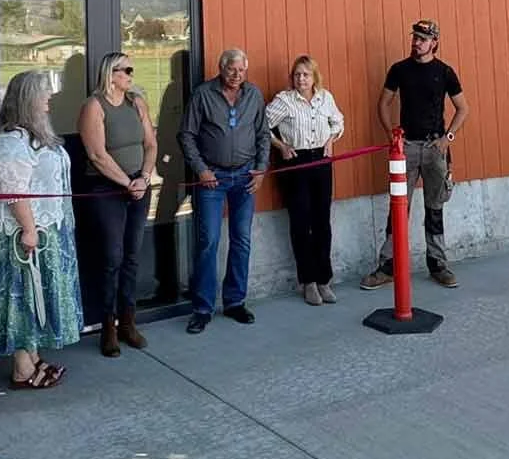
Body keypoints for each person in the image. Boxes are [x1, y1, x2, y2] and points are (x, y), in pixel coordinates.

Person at [0, 69, 83, 387]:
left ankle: (33, 356)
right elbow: (14, 190)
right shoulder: (11, 142)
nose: (48, 97)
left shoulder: (35, 138)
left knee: (34, 295)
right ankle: (23, 369)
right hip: (16, 233)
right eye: (42, 93)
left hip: (42, 227)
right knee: (21, 296)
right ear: (27, 100)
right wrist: (29, 229)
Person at [362, 20, 470, 290]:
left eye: (422, 38)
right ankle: (388, 266)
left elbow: (462, 108)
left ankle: (438, 263)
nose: (416, 42)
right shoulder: (400, 70)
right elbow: (383, 102)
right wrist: (391, 134)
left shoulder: (444, 72)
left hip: (435, 149)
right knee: (399, 207)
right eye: (415, 38)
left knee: (435, 207)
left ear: (434, 42)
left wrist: (448, 138)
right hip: (406, 147)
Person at [180, 47, 270, 334]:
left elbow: (263, 134)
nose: (237, 75)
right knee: (209, 241)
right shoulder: (203, 94)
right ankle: (202, 308)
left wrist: (261, 167)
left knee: (241, 239)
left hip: (245, 176)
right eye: (232, 70)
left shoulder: (253, 95)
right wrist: (201, 169)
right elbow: (186, 135)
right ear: (221, 69)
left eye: (242, 70)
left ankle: (235, 302)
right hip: (212, 178)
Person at [78, 53, 159, 357]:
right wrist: (126, 183)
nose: (131, 74)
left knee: (132, 256)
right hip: (107, 189)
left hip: (139, 186)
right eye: (126, 70)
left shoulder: (136, 103)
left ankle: (128, 320)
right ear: (110, 74)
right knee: (112, 256)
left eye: (131, 69)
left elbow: (151, 143)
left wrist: (144, 177)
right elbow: (97, 155)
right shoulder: (94, 107)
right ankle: (107, 324)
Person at [266, 55, 346, 305]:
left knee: (322, 221)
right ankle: (308, 282)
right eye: (297, 74)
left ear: (314, 77)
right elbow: (261, 125)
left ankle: (324, 279)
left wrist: (331, 141)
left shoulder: (325, 98)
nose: (301, 79)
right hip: (296, 163)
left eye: (306, 74)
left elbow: (338, 121)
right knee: (301, 222)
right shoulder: (285, 101)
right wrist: (280, 146)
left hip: (321, 161)